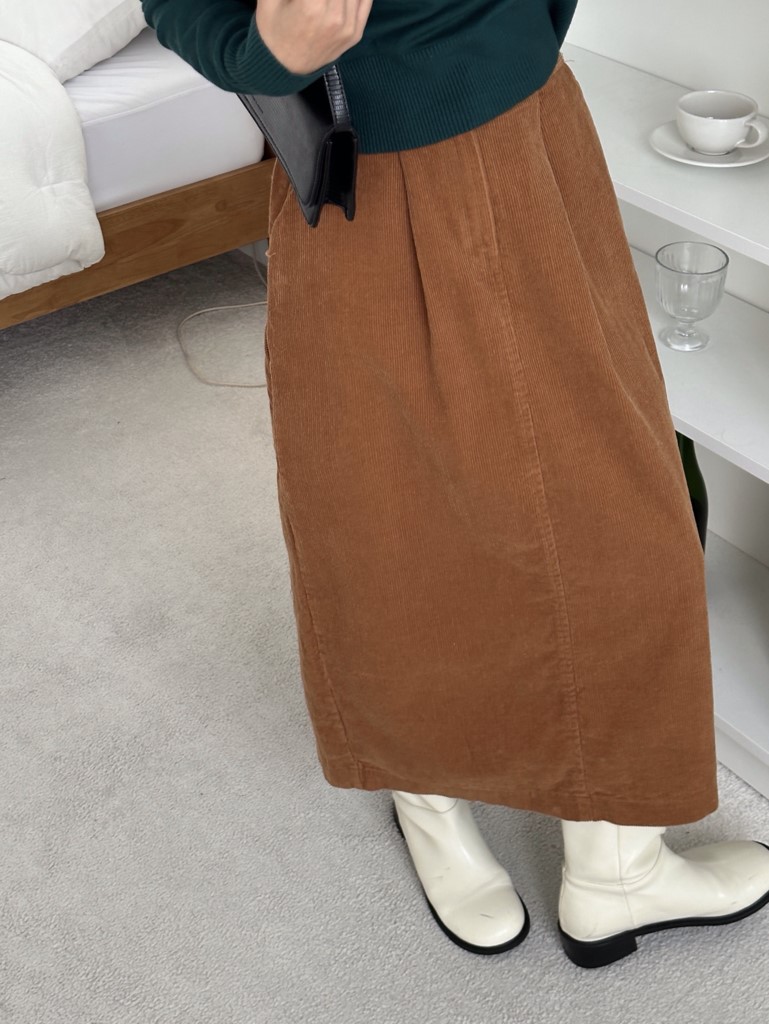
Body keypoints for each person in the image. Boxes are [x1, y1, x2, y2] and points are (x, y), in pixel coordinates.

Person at [141, 0, 769, 968]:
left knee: (616, 508)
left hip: (535, 130)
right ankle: (426, 798)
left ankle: (617, 860)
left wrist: (505, 50)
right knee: (387, 512)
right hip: (373, 174)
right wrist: (257, 53)